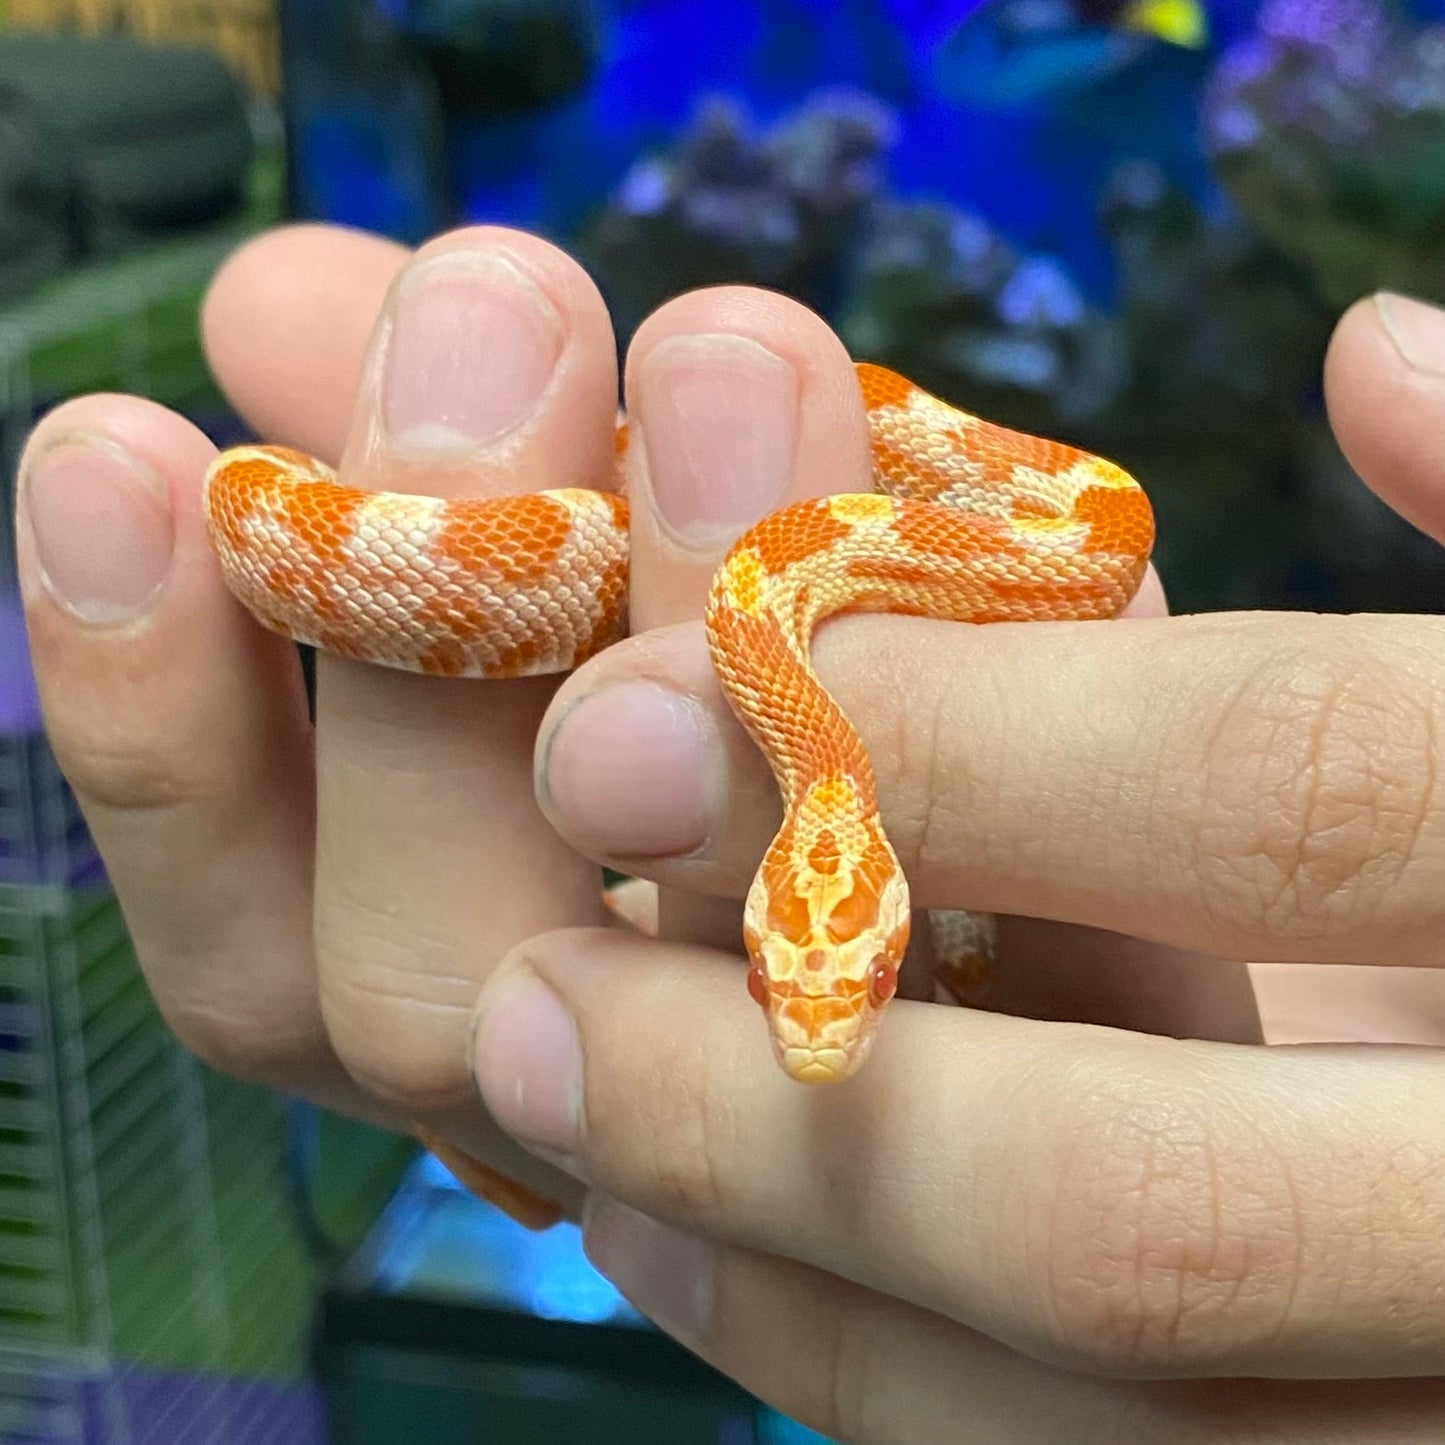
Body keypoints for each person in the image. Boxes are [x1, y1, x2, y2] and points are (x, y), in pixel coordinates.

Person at [15, 222, 1445, 1442]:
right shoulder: (775, 640)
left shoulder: (833, 613)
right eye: (799, 986)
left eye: (844, 982)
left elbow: (1082, 534)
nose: (816, 1033)